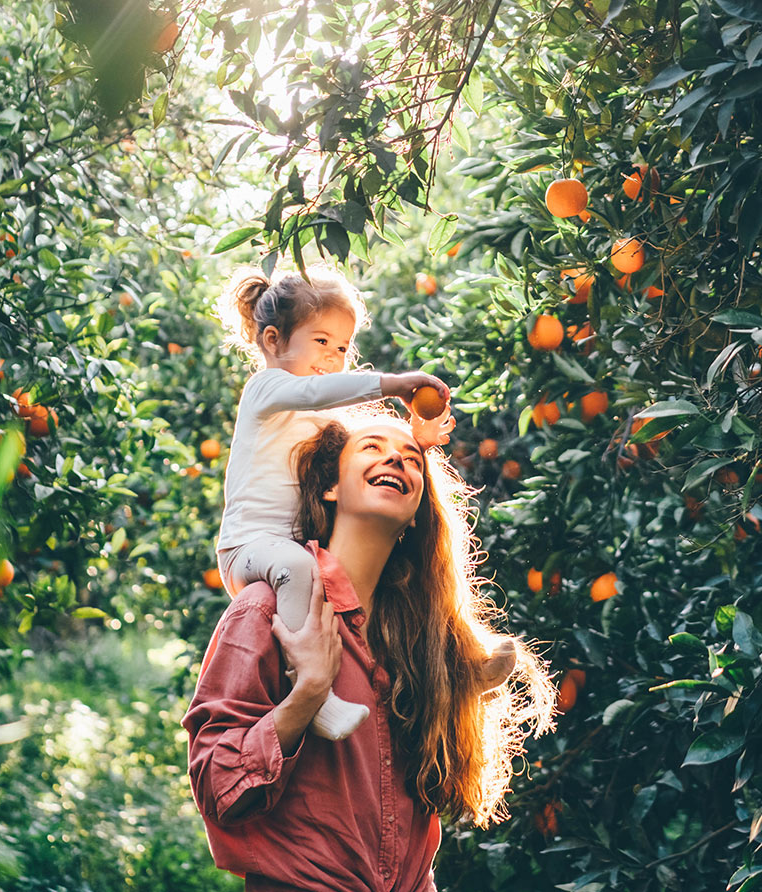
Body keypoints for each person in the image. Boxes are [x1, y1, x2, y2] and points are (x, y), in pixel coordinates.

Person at [183, 415, 557, 891]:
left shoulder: (423, 639)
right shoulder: (266, 609)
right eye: (371, 447)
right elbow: (218, 786)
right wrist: (310, 692)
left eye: (412, 458)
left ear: (419, 506)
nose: (396, 458)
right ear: (330, 488)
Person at [214, 265, 456, 740]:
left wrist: (417, 438)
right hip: (249, 548)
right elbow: (315, 390)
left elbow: (368, 446)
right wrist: (394, 383)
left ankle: (456, 670)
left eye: (343, 347)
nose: (334, 356)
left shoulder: (319, 411)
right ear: (272, 340)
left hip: (293, 553)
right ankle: (314, 693)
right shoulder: (267, 389)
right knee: (301, 570)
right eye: (321, 340)